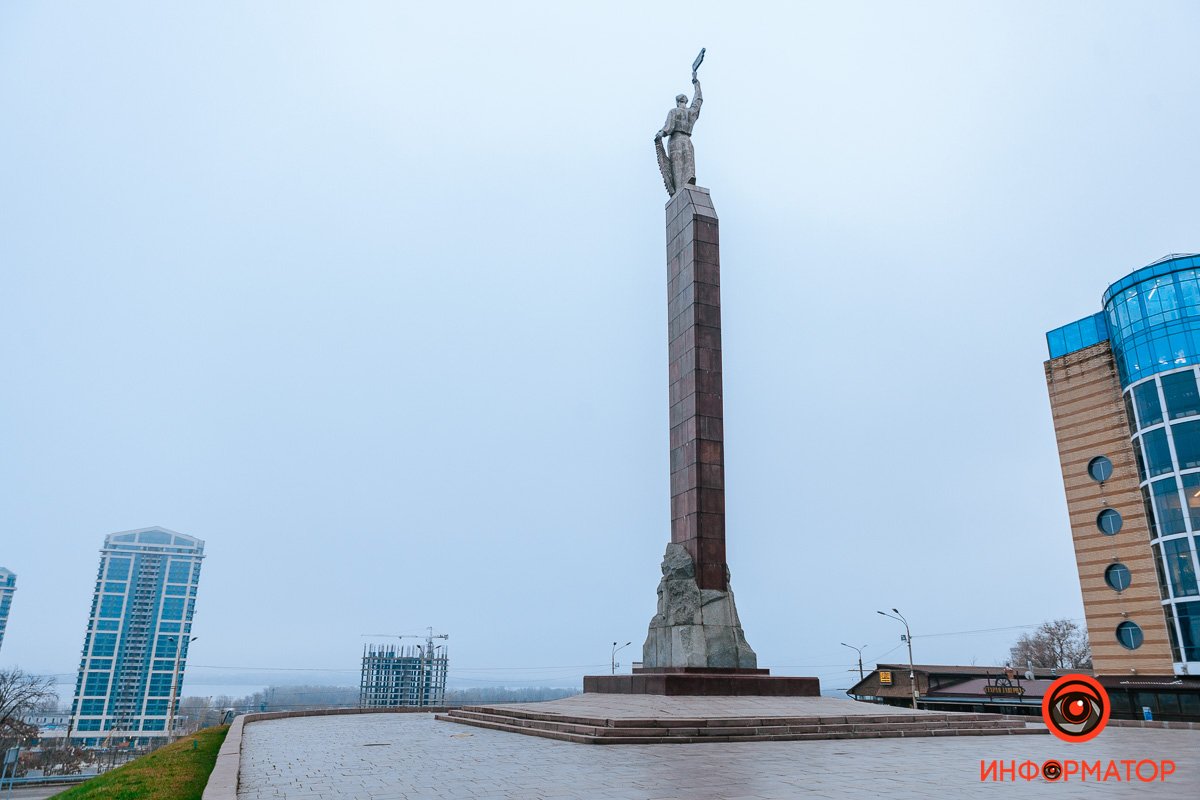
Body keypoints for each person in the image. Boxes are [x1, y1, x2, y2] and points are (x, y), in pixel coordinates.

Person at [655, 74, 703, 194]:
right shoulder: (690, 113)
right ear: (685, 102)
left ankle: (679, 190)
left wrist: (661, 133)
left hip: (675, 141)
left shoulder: (674, 111)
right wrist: (697, 84)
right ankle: (686, 187)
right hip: (687, 141)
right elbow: (698, 101)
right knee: (689, 168)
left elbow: (668, 128)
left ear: (677, 102)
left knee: (677, 170)